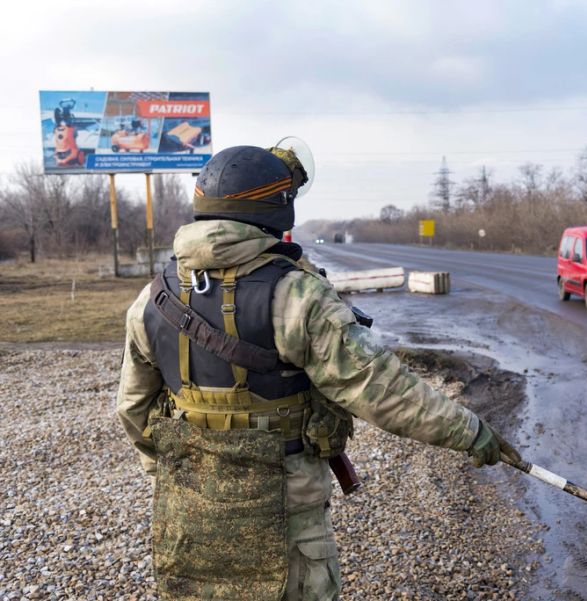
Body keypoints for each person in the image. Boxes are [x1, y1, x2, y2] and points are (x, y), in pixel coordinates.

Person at [115, 144, 520, 601]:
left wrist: (173, 471)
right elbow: (381, 389)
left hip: (188, 511)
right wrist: (469, 431)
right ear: (275, 208)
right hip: (288, 510)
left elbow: (133, 409)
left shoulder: (151, 299)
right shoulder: (297, 295)